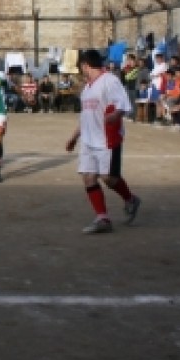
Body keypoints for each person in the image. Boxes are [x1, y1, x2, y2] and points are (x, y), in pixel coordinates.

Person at [65, 49, 140, 234]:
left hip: (107, 140)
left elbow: (124, 104)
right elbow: (85, 117)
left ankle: (130, 199)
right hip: (88, 141)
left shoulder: (110, 81)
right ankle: (102, 218)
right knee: (88, 177)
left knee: (109, 178)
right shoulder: (88, 88)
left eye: (81, 67)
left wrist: (115, 115)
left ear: (85, 65)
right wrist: (74, 137)